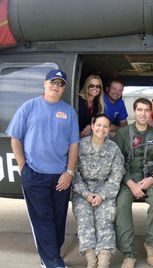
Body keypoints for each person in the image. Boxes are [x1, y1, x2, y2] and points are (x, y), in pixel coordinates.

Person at [6, 69, 80, 268]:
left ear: (64, 88)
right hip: (35, 175)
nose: (56, 86)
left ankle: (51, 255)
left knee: (58, 220)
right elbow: (16, 138)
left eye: (60, 84)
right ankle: (51, 261)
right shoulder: (29, 107)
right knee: (43, 220)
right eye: (53, 82)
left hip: (60, 177)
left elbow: (74, 145)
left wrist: (69, 172)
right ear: (44, 83)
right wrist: (23, 168)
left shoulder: (69, 112)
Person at [114, 98, 153, 268]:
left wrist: (152, 178)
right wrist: (130, 183)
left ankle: (151, 244)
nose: (143, 113)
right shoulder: (123, 134)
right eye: (140, 110)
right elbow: (117, 163)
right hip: (128, 177)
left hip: (150, 177)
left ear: (150, 112)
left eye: (146, 110)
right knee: (122, 204)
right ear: (134, 111)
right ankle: (129, 253)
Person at [72, 114, 125, 268]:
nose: (101, 129)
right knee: (84, 221)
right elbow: (73, 174)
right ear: (92, 125)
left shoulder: (113, 149)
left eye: (105, 126)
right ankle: (91, 261)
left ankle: (103, 262)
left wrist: (101, 195)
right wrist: (86, 194)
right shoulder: (80, 146)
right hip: (83, 193)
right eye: (99, 125)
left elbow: (116, 176)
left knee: (105, 222)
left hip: (105, 192)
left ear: (109, 129)